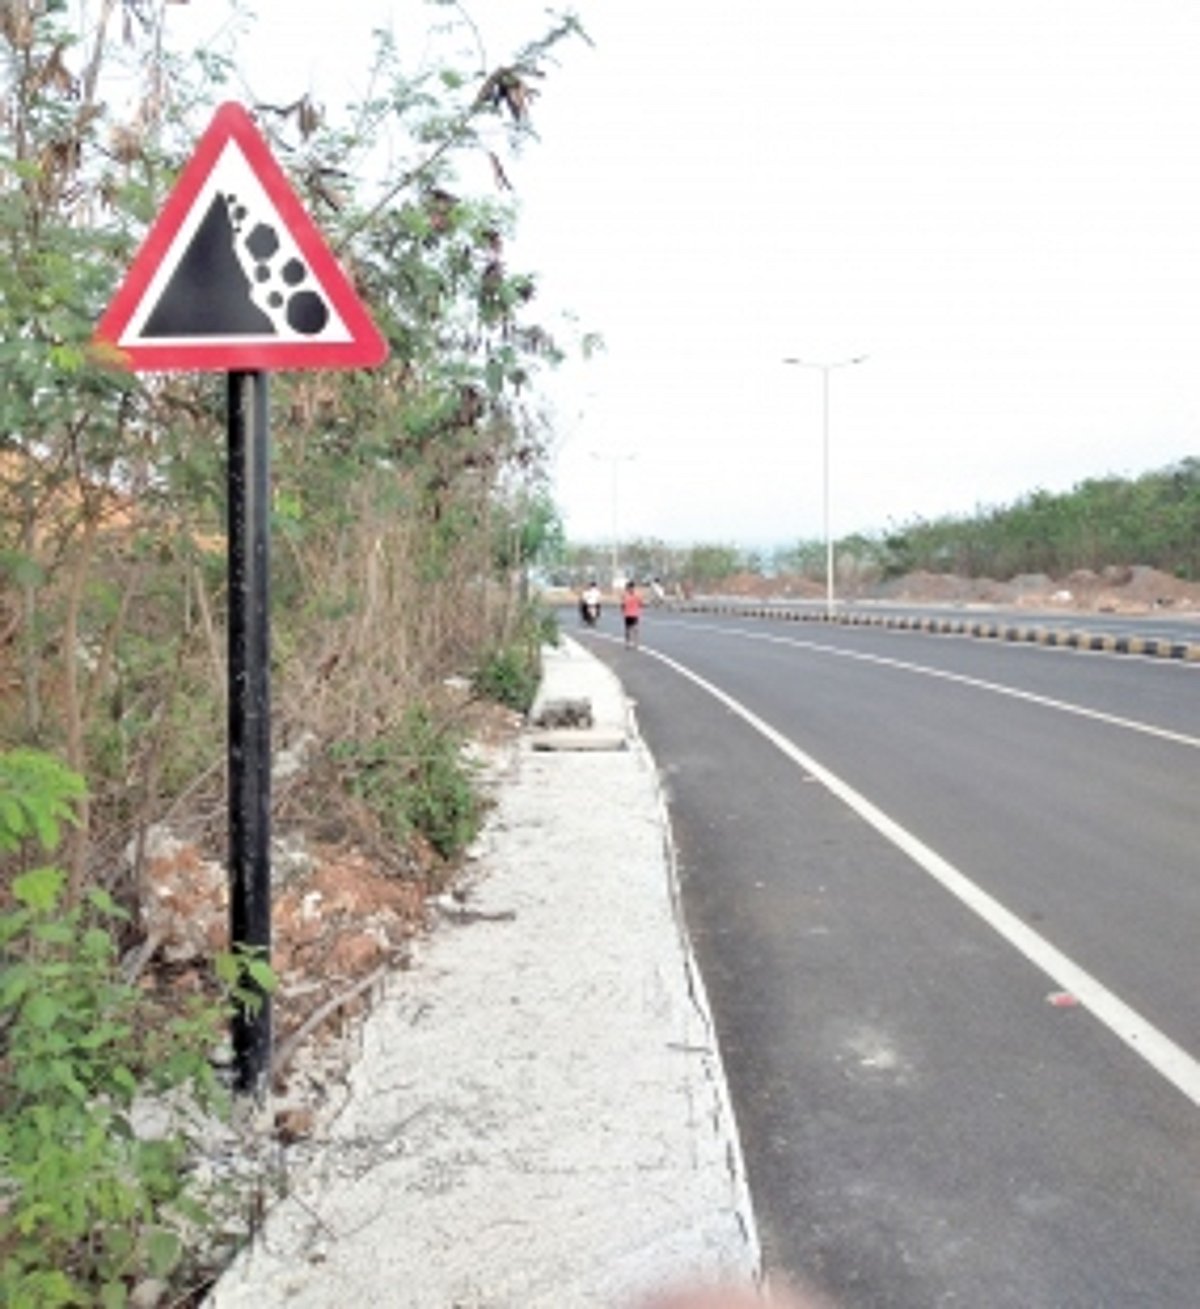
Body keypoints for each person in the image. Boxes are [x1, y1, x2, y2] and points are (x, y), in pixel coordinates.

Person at [621, 578, 643, 648]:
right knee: (628, 629)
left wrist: (639, 607)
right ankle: (627, 642)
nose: (630, 589)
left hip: (635, 614)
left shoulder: (637, 595)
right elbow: (623, 604)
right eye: (629, 588)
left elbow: (640, 603)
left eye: (631, 587)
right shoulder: (625, 595)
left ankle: (636, 643)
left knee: (635, 629)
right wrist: (623, 611)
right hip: (627, 614)